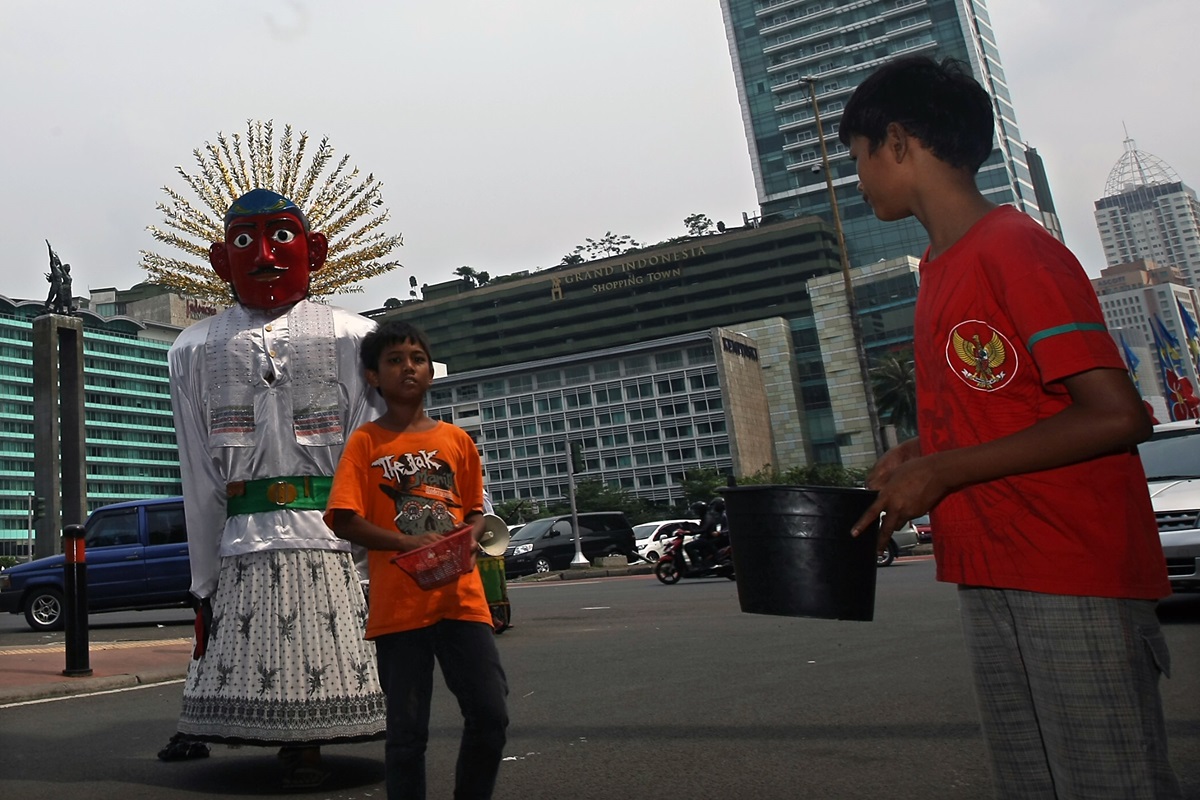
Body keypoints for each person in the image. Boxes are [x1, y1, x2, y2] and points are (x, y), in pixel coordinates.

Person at [843, 56, 1180, 798]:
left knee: (1107, 781)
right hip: (992, 567)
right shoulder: (940, 268)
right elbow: (1015, 411)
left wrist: (946, 470)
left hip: (1071, 571)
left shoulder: (1013, 248)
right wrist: (924, 453)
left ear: (897, 142)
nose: (857, 179)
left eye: (859, 157)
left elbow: (1116, 415)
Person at [159, 188, 388, 788]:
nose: (263, 254)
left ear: (315, 249)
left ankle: (309, 745)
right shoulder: (192, 349)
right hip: (243, 528)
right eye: (243, 241)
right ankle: (278, 737)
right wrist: (201, 577)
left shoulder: (356, 337)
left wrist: (374, 555)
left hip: (329, 527)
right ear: (218, 259)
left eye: (281, 236)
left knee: (322, 637)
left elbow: (373, 449)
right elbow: (197, 471)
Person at [325, 320, 509, 800]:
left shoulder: (458, 442)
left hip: (462, 601)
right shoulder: (365, 444)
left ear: (430, 371)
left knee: (491, 716)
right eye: (393, 360)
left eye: (416, 358)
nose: (407, 367)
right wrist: (404, 544)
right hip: (400, 610)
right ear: (372, 377)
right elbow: (342, 519)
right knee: (407, 736)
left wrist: (470, 533)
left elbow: (473, 511)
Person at [684, 497, 727, 569]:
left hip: (710, 538)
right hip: (710, 537)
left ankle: (697, 565)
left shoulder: (709, 517)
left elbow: (704, 529)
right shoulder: (709, 516)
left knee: (688, 546)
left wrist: (690, 532)